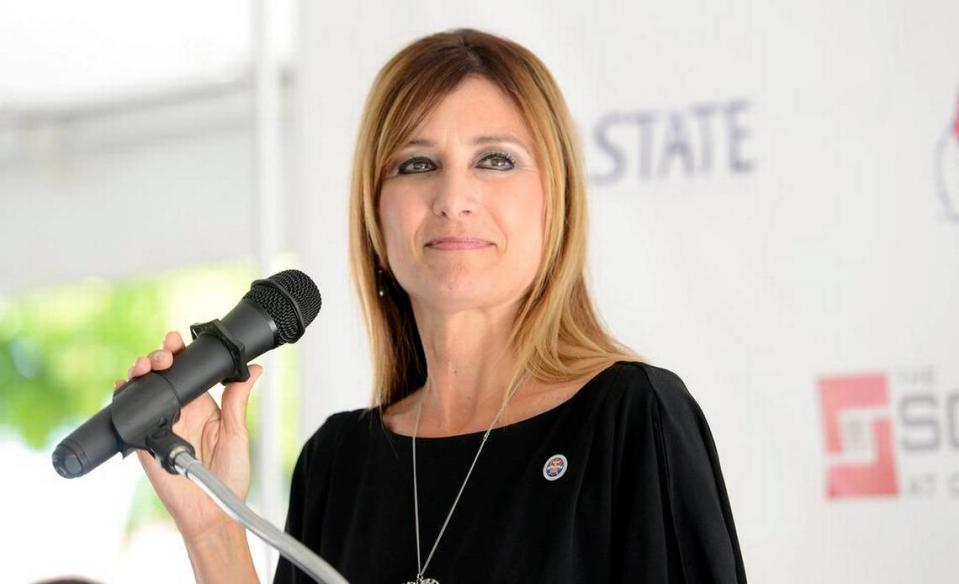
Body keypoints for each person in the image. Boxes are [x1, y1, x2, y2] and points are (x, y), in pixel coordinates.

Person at [118, 28, 747, 583]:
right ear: (376, 214)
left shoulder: (632, 418)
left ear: (556, 203)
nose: (454, 196)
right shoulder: (339, 463)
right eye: (417, 164)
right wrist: (213, 530)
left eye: (495, 160)